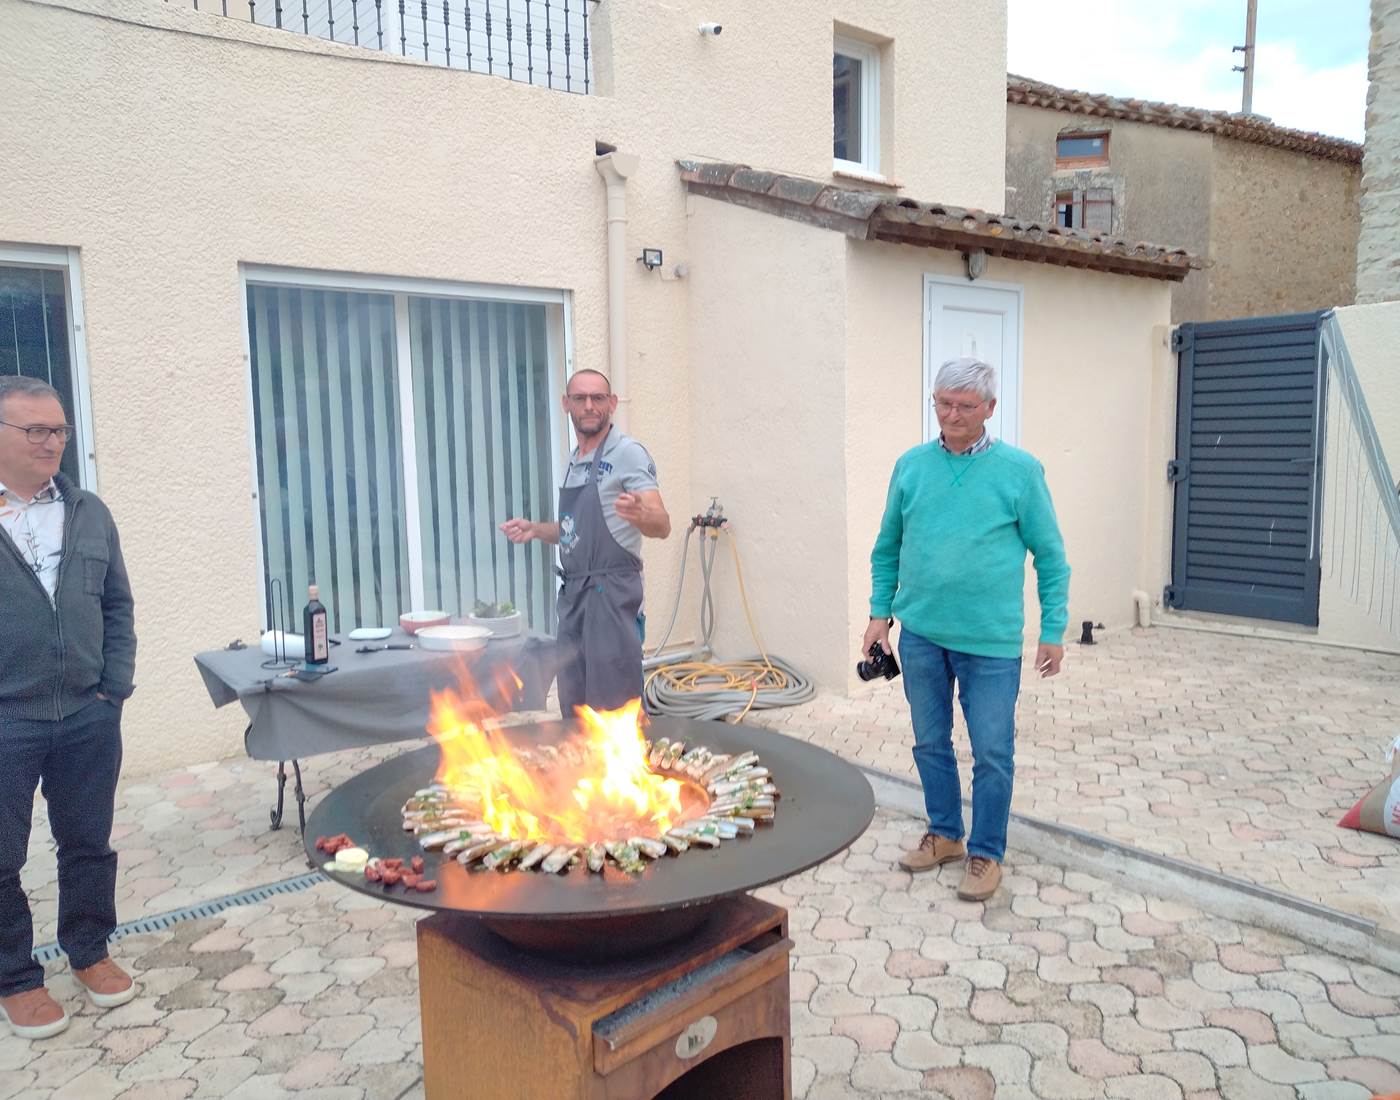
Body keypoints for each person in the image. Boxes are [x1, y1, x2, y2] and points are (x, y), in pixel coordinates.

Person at [865, 357, 1069, 902]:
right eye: (943, 403)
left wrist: (1053, 629)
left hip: (990, 644)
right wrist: (879, 616)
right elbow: (887, 548)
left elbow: (1051, 557)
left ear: (990, 408)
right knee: (930, 743)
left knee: (992, 753)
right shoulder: (911, 467)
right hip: (922, 636)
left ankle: (986, 853)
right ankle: (945, 834)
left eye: (965, 406)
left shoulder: (1020, 472)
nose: (952, 415)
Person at [0, 376, 137, 1039]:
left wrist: (114, 689)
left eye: (58, 430)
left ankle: (88, 949)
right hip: (7, 720)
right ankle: (16, 977)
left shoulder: (89, 511)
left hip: (87, 713)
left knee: (87, 843)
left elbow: (117, 604)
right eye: (35, 430)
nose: (51, 442)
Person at [500, 369, 670, 714]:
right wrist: (536, 530)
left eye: (598, 398)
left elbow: (662, 524)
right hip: (574, 598)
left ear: (612, 403)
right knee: (574, 703)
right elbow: (573, 531)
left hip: (612, 595)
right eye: (580, 398)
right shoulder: (573, 459)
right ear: (567, 404)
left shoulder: (628, 453)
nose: (589, 406)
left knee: (614, 706)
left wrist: (642, 514)